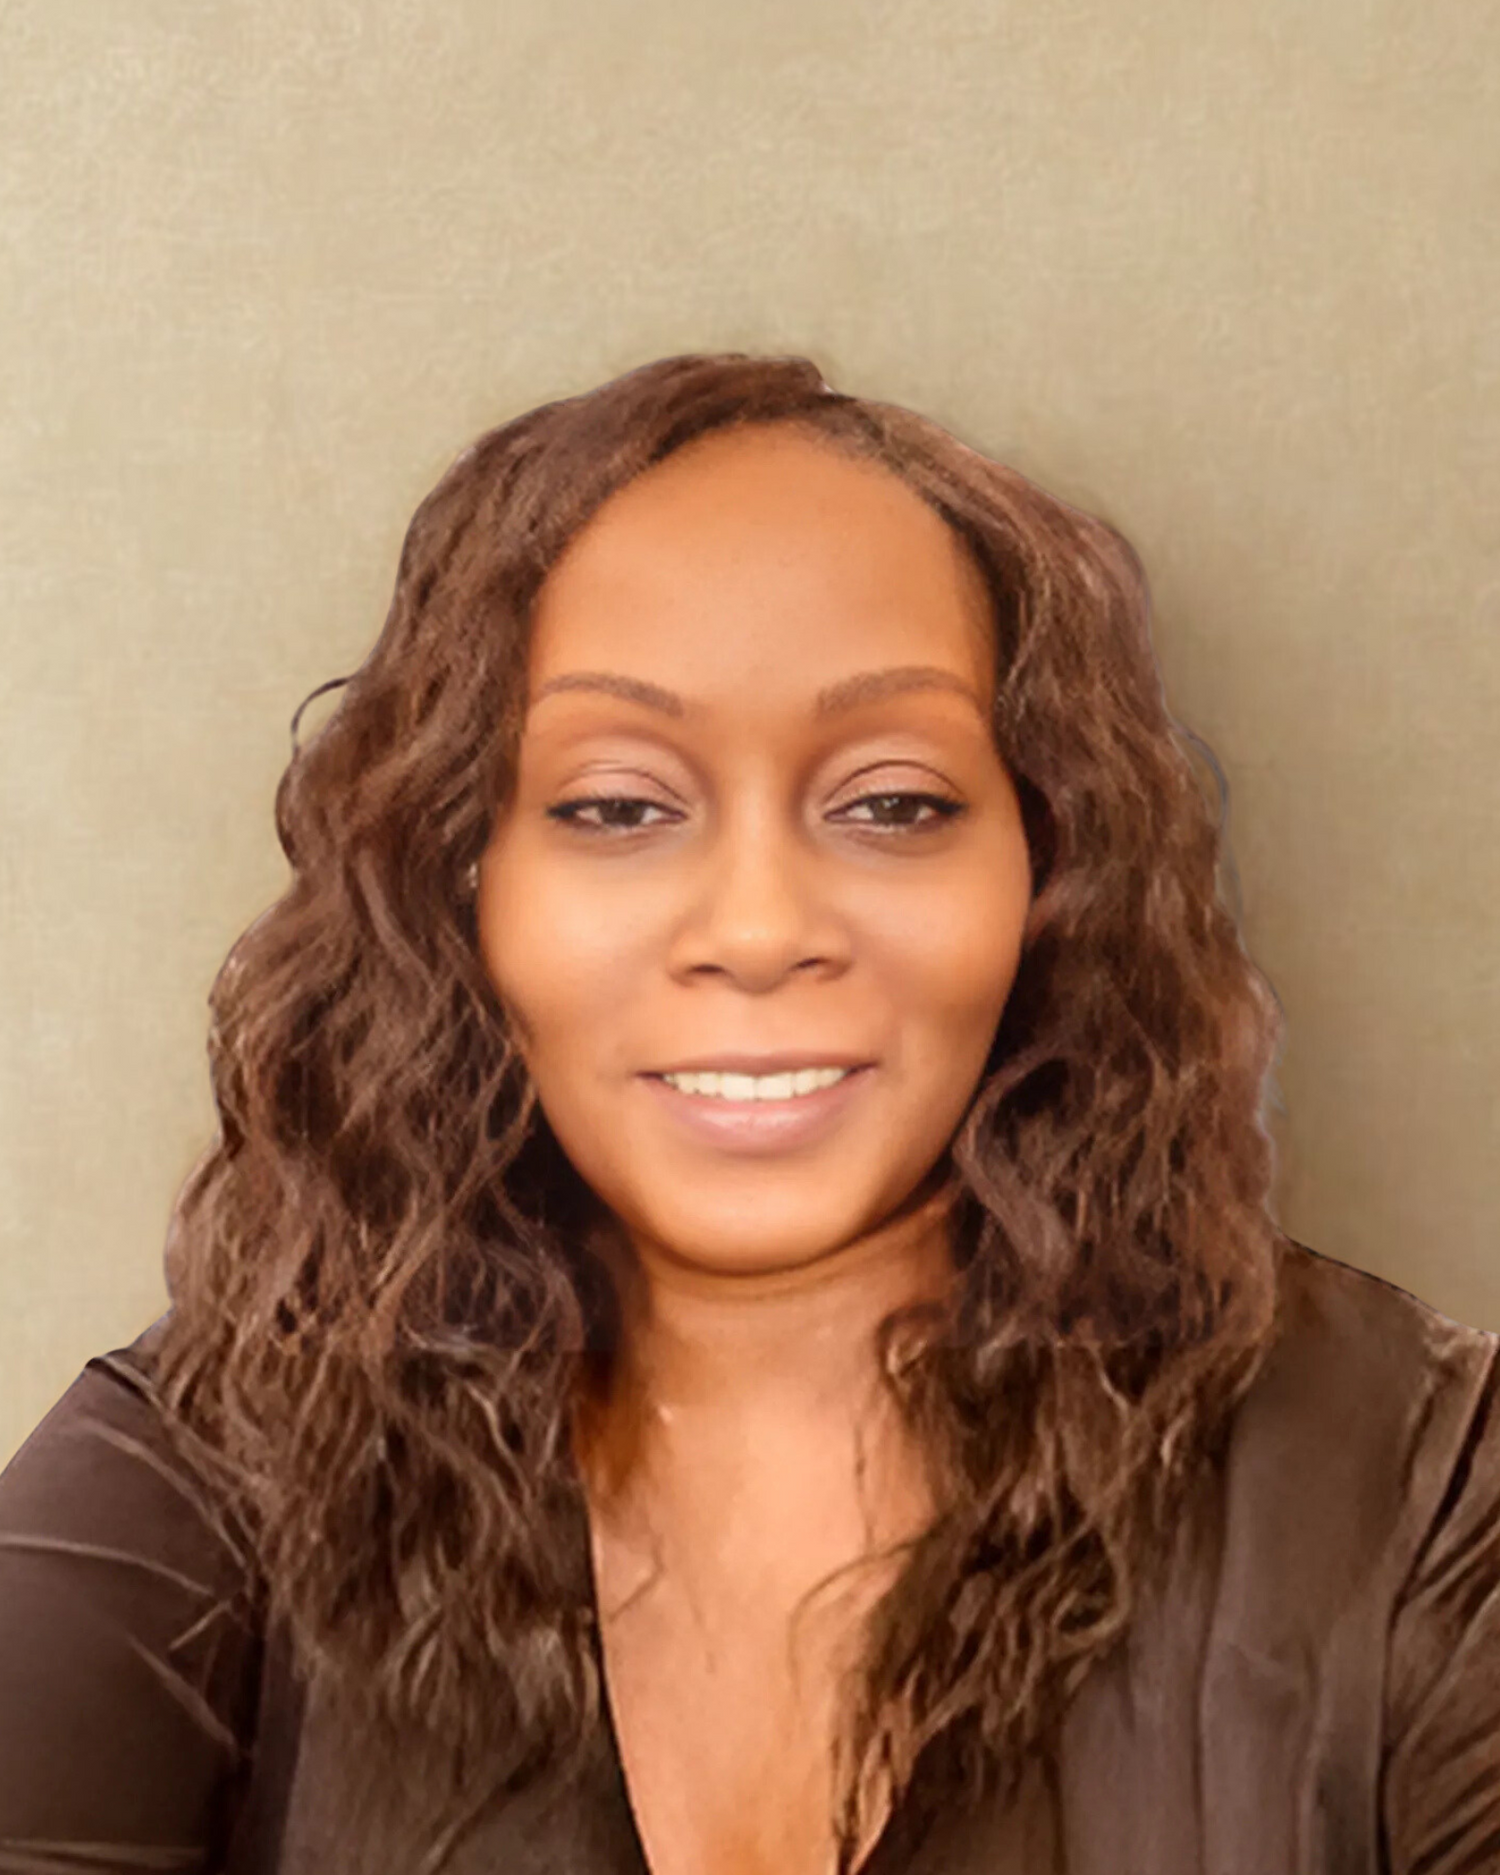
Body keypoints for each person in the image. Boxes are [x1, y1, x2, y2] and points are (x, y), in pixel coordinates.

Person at [0, 353, 1495, 1875]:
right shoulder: (193, 1488)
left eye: (893, 803)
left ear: (1048, 877)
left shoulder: (1424, 1490)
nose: (761, 928)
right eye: (618, 806)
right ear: (464, 887)